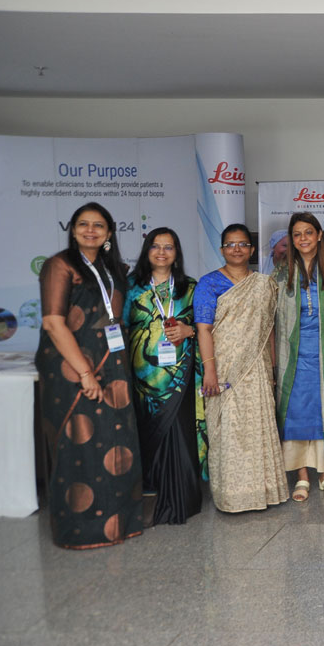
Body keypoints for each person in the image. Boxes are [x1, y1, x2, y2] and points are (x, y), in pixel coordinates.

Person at [36, 202, 143, 548]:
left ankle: (120, 525)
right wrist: (84, 372)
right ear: (73, 229)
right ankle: (83, 531)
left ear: (109, 232)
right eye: (83, 224)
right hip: (72, 369)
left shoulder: (113, 269)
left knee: (115, 441)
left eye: (98, 225)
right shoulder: (60, 265)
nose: (91, 230)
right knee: (79, 443)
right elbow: (53, 323)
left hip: (113, 366)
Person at [195, 224, 289, 512]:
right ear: (222, 249)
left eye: (242, 244)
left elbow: (268, 330)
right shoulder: (208, 283)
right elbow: (203, 329)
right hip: (223, 368)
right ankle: (232, 495)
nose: (236, 249)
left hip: (257, 368)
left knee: (258, 426)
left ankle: (262, 491)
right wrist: (210, 371)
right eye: (230, 244)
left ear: (251, 250)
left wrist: (273, 368)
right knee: (229, 429)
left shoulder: (264, 284)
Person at [272, 212, 324, 502]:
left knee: (323, 410)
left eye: (308, 232)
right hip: (293, 356)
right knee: (298, 413)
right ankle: (301, 476)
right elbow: (270, 315)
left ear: (319, 235)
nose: (303, 239)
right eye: (297, 234)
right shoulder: (282, 271)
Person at [124, 227, 203, 525]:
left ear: (176, 253)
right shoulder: (131, 287)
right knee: (145, 431)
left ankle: (184, 497)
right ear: (147, 251)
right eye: (155, 246)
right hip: (141, 377)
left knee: (180, 432)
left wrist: (189, 330)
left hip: (179, 377)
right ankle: (150, 494)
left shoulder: (190, 287)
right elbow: (120, 326)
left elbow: (208, 328)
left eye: (168, 247)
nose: (161, 252)